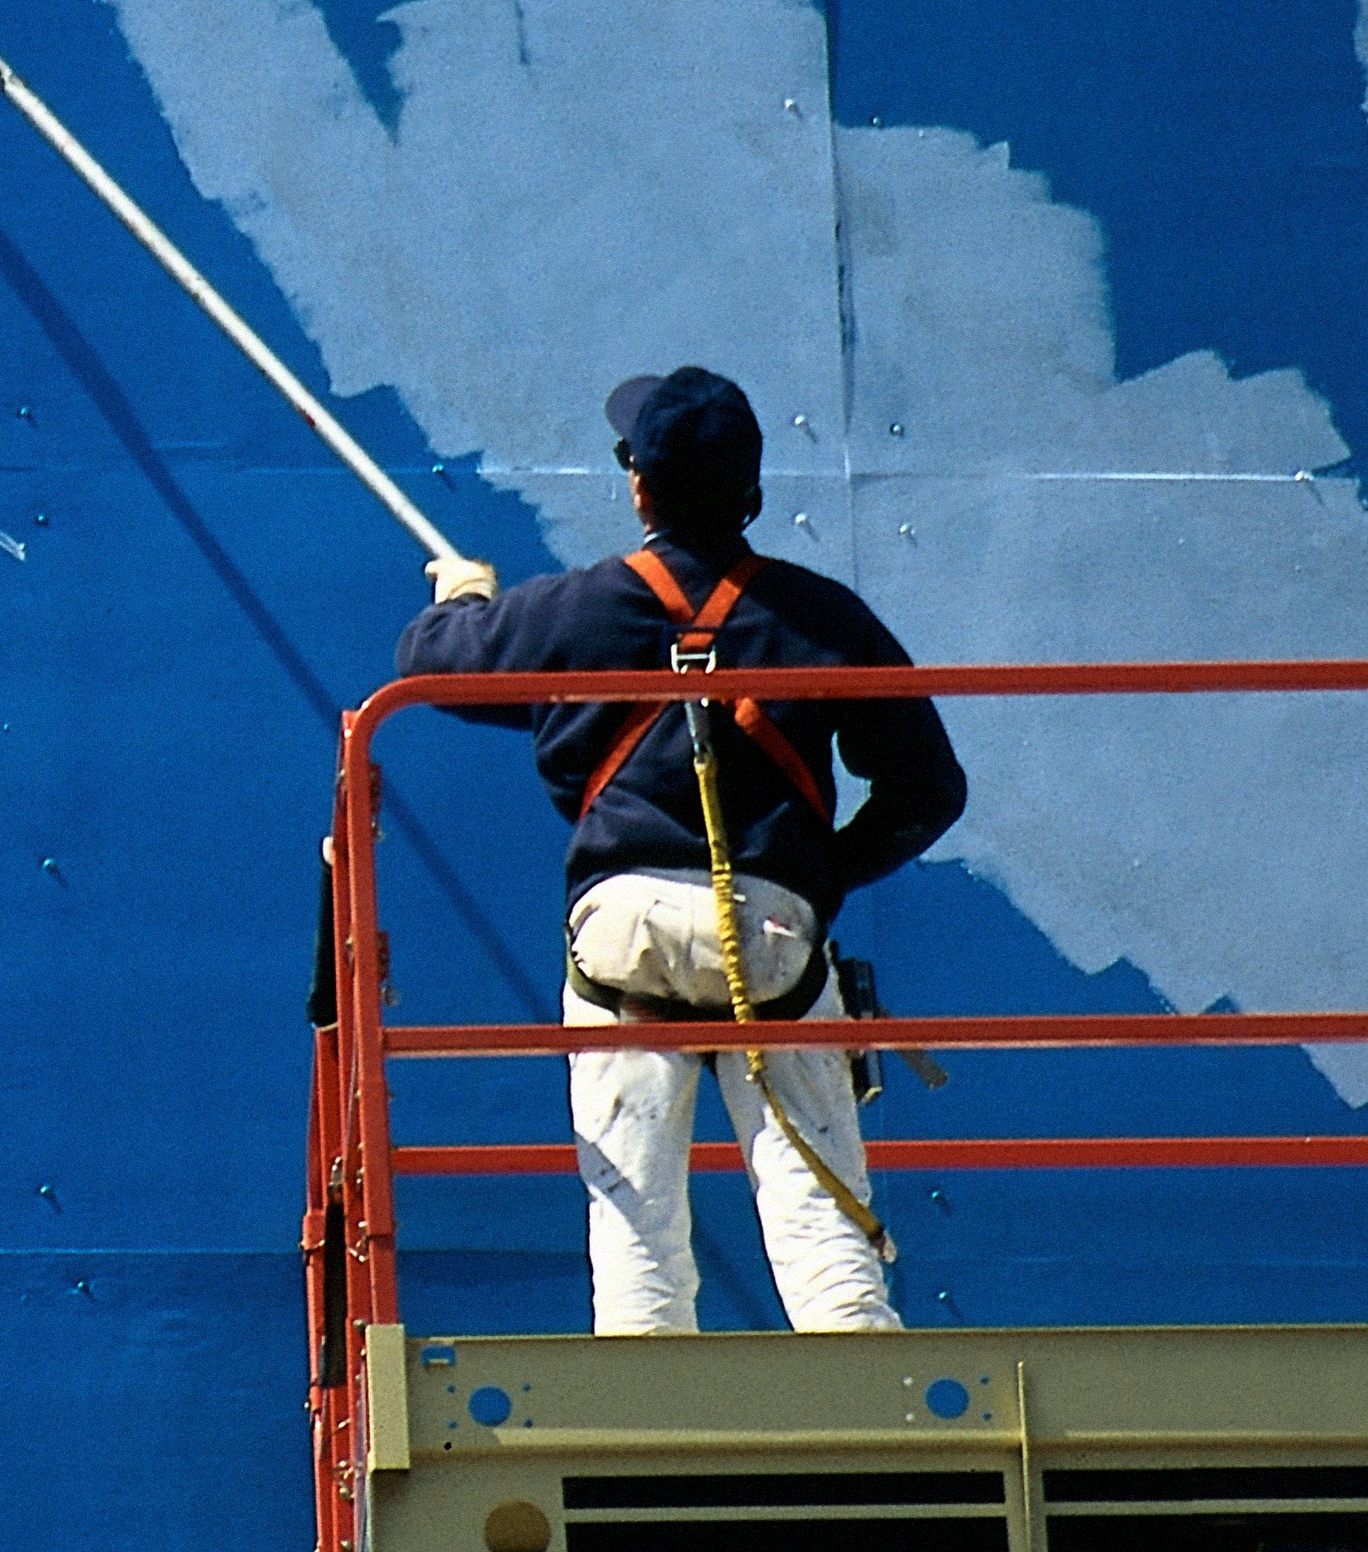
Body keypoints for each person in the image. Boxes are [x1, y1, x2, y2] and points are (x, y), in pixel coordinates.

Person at [400, 367, 965, 1336]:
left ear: (639, 485)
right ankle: (892, 1435)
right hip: (776, 936)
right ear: (750, 488)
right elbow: (930, 790)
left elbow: (431, 665)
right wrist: (823, 872)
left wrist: (464, 598)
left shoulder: (579, 610)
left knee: (636, 1236)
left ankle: (645, 1452)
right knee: (824, 1230)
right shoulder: (823, 620)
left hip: (625, 938)